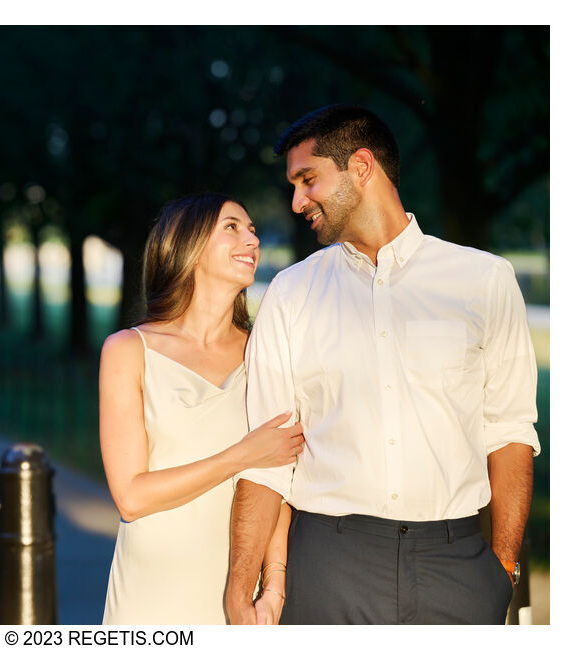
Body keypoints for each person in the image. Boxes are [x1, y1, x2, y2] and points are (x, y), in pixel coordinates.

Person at [225, 105, 540, 625]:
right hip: (327, 564)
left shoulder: (484, 281)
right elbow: (268, 456)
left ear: (362, 167)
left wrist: (502, 568)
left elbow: (508, 432)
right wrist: (241, 586)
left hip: (456, 565)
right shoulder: (291, 293)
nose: (297, 201)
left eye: (308, 180)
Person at [99, 193, 305, 624]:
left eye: (251, 229)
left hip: (238, 595)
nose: (251, 238)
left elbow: (279, 482)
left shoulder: (265, 353)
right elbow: (131, 497)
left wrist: (274, 588)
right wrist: (241, 455)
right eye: (232, 227)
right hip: (150, 594)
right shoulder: (128, 350)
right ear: (185, 244)